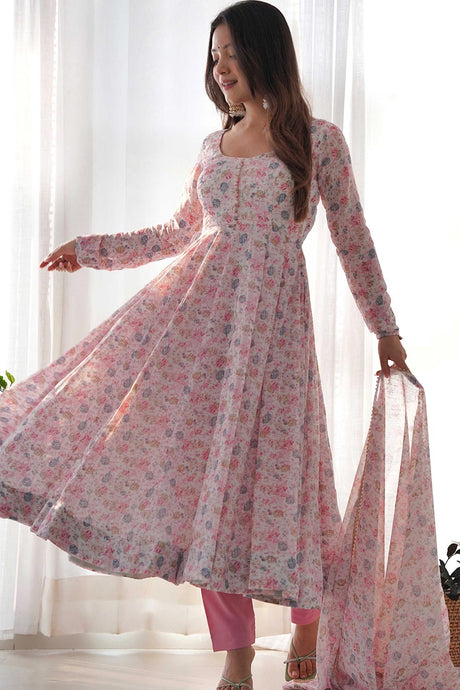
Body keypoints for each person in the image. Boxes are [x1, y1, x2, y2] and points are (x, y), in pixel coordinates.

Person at [0, 2, 409, 689]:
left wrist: (386, 329)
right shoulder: (212, 147)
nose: (220, 69)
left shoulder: (319, 141)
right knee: (209, 491)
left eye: (232, 54)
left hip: (275, 339)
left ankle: (308, 622)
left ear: (266, 52)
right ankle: (237, 656)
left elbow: (353, 240)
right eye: (214, 56)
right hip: (199, 336)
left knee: (287, 481)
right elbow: (177, 233)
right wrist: (90, 250)